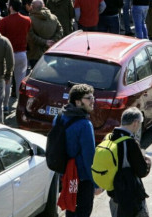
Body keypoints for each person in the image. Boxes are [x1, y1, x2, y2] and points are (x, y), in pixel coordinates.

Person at [54, 83, 101, 217]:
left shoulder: (59, 117)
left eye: (93, 97)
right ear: (78, 102)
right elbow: (89, 157)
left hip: (66, 174)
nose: (93, 101)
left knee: (71, 207)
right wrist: (96, 183)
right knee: (83, 211)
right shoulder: (84, 124)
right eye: (89, 98)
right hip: (82, 178)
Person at [106, 107, 152, 217]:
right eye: (140, 123)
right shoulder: (130, 143)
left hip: (115, 194)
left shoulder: (109, 138)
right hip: (131, 194)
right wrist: (147, 160)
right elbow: (142, 171)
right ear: (135, 123)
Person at [0, 0, 30, 110]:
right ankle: (20, 106)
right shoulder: (27, 20)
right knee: (20, 82)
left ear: (10, 7)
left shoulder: (4, 21)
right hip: (22, 54)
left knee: (7, 81)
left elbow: (1, 37)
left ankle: (5, 105)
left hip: (8, 55)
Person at [27, 0, 63, 68]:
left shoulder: (30, 19)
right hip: (51, 51)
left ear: (32, 7)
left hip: (35, 54)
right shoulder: (54, 17)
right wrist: (53, 40)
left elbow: (30, 35)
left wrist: (45, 42)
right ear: (43, 5)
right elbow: (60, 30)